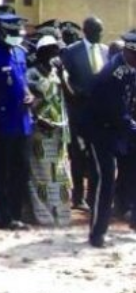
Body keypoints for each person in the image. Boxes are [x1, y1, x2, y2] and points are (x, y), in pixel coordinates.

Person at [83, 31, 136, 248]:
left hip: (121, 129)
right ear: (128, 52)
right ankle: (97, 233)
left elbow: (127, 100)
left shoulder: (132, 69)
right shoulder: (111, 75)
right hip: (101, 131)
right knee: (106, 180)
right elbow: (119, 116)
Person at [61, 16, 108, 211]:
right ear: (86, 31)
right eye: (97, 31)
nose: (100, 35)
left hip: (100, 115)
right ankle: (78, 196)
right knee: (78, 156)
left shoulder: (105, 51)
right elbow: (64, 79)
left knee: (96, 156)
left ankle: (93, 196)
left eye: (101, 31)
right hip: (79, 113)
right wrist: (75, 93)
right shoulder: (72, 52)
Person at [26, 35, 72, 226]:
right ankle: (43, 216)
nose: (55, 54)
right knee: (41, 175)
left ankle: (61, 216)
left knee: (59, 174)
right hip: (39, 130)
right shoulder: (31, 74)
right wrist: (39, 120)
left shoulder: (59, 73)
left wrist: (62, 75)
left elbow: (70, 95)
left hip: (59, 130)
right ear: (42, 52)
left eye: (57, 50)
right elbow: (29, 101)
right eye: (52, 50)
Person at [0, 13, 35, 230]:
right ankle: (4, 217)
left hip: (23, 123)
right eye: (13, 33)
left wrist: (29, 95)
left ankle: (15, 213)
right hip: (3, 123)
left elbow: (23, 81)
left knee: (21, 170)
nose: (16, 36)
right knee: (3, 171)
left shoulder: (19, 53)